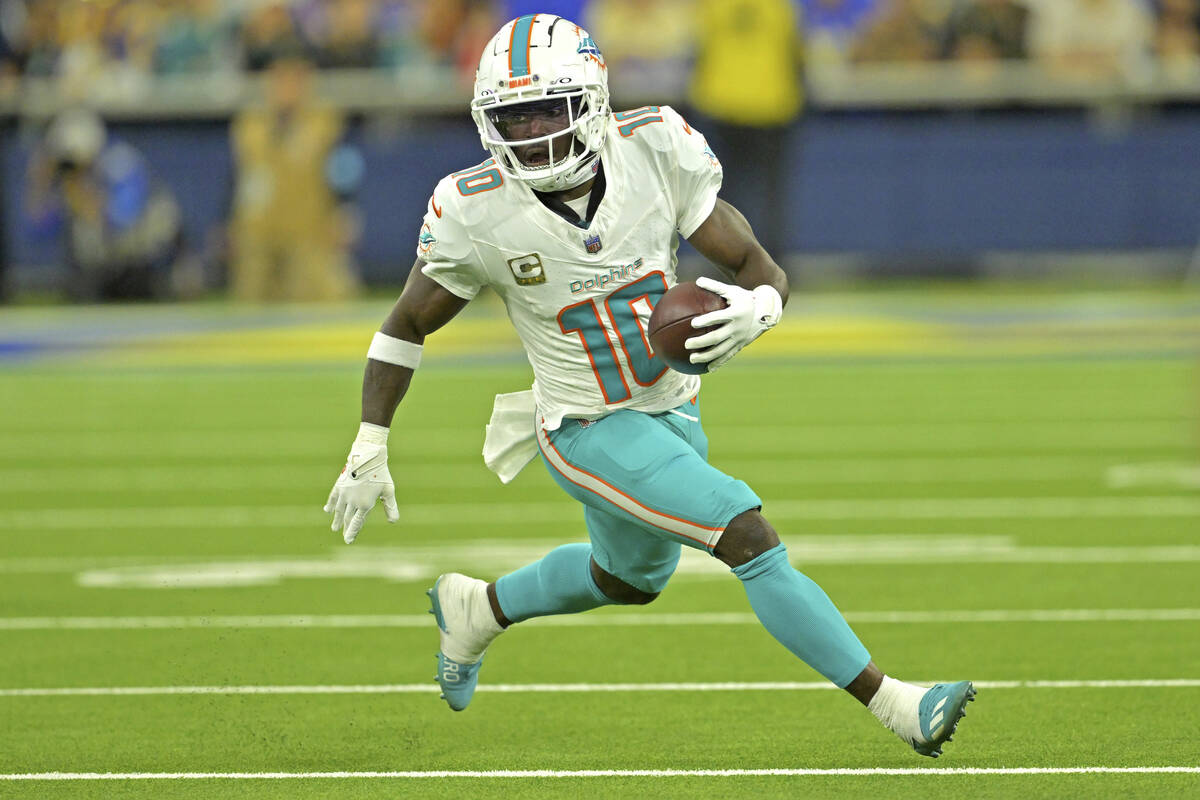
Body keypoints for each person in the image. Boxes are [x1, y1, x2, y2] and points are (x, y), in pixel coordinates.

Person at [323, 14, 975, 757]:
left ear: (594, 101)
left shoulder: (656, 147)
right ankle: (897, 704)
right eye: (513, 117)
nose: (531, 135)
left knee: (628, 576)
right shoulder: (474, 209)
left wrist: (761, 307)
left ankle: (477, 609)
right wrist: (371, 438)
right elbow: (407, 321)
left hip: (670, 405)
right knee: (746, 534)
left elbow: (757, 264)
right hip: (584, 425)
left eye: (548, 111)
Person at [23, 108, 185, 301]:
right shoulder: (70, 178)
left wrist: (84, 199)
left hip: (143, 257)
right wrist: (39, 185)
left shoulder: (119, 162)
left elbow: (123, 222)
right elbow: (39, 230)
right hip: (102, 266)